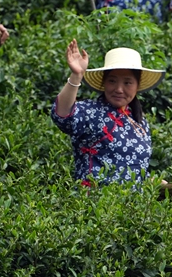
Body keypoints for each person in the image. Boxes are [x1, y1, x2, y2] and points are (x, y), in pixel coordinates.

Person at [51, 41, 163, 187]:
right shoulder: (90, 111)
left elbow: (137, 170)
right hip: (96, 204)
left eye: (127, 83)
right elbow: (63, 116)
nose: (119, 89)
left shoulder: (140, 122)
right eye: (112, 81)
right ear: (104, 83)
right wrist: (76, 76)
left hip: (133, 207)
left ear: (138, 86)